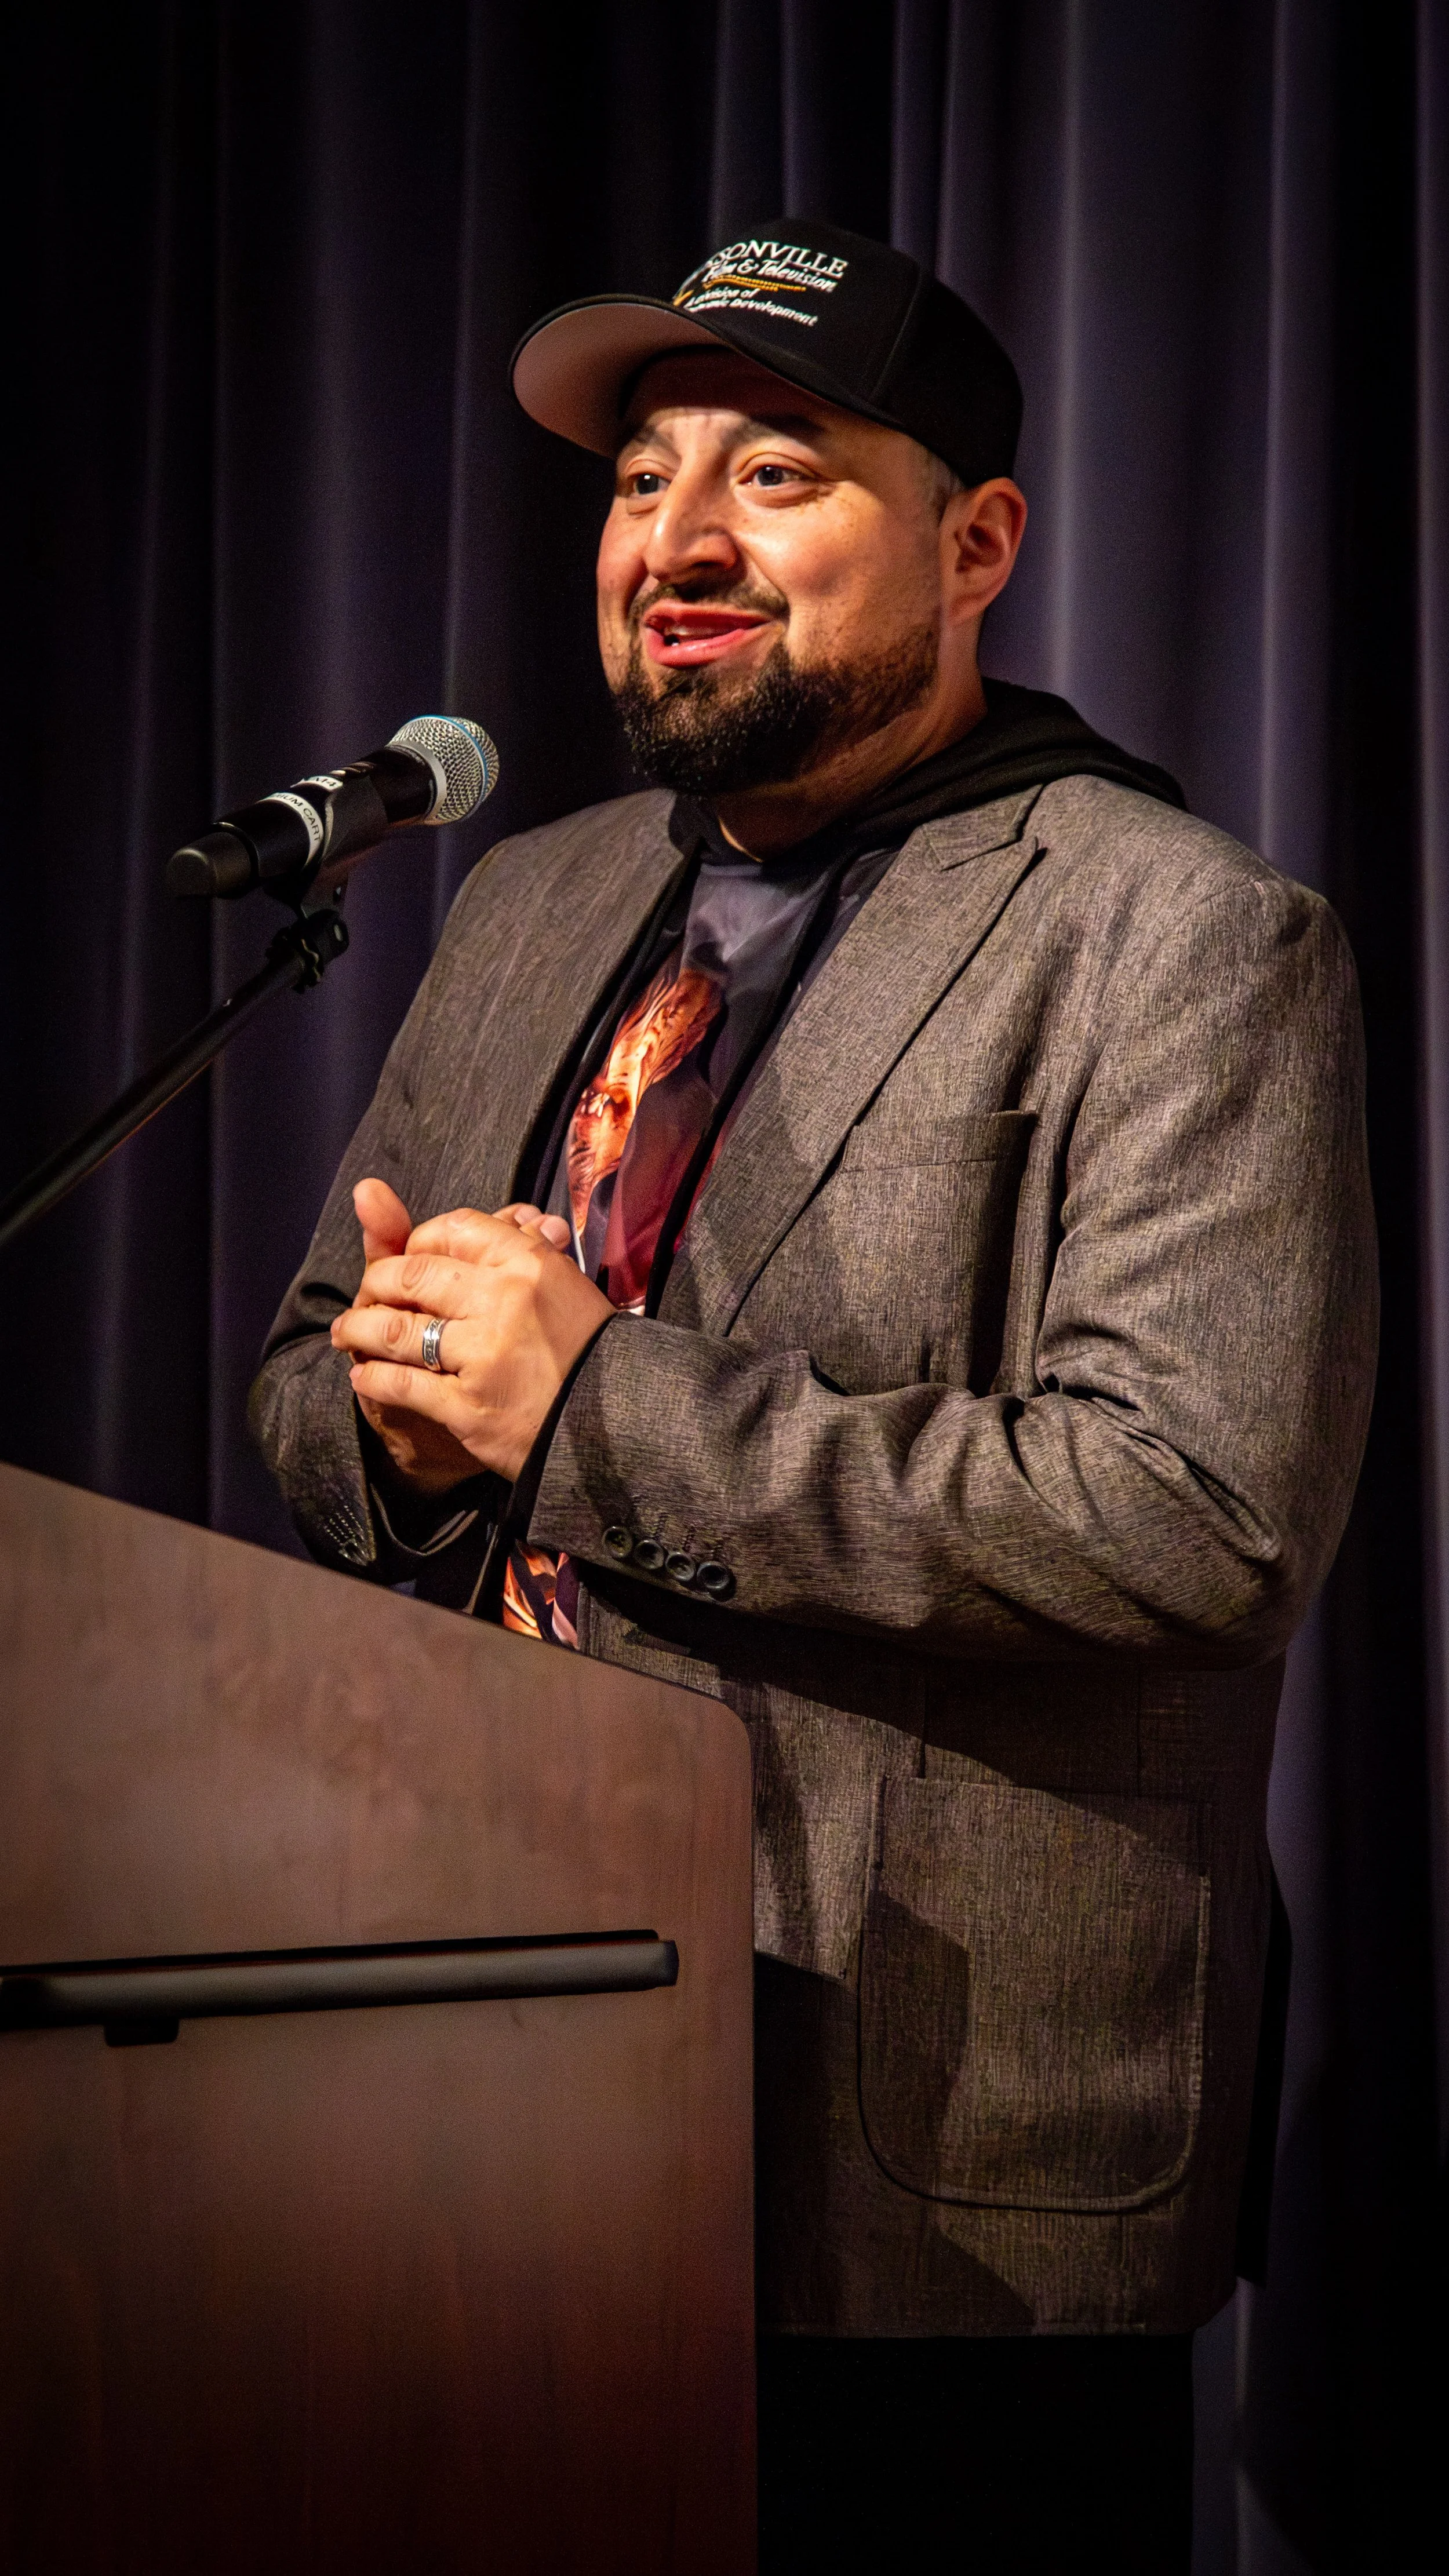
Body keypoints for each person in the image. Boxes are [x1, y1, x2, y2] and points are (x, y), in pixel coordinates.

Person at [251, 218, 1377, 2569]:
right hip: (493, 2064)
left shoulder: (1173, 934)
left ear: (976, 544)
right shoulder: (532, 904)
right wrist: (387, 1407)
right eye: (643, 479)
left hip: (921, 2168)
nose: (675, 539)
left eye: (777, 474)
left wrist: (592, 1406)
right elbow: (300, 1377)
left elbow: (1195, 1504)